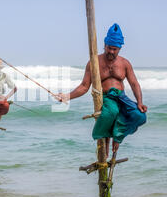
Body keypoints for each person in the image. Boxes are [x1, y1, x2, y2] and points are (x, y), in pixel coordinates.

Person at [56, 23, 147, 156]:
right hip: (106, 97)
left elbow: (134, 84)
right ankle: (104, 141)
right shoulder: (94, 62)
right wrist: (67, 96)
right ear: (104, 45)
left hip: (121, 97)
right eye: (109, 48)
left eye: (115, 49)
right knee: (112, 112)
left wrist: (139, 102)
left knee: (140, 116)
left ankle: (118, 136)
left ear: (120, 48)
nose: (111, 51)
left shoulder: (124, 63)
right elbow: (84, 86)